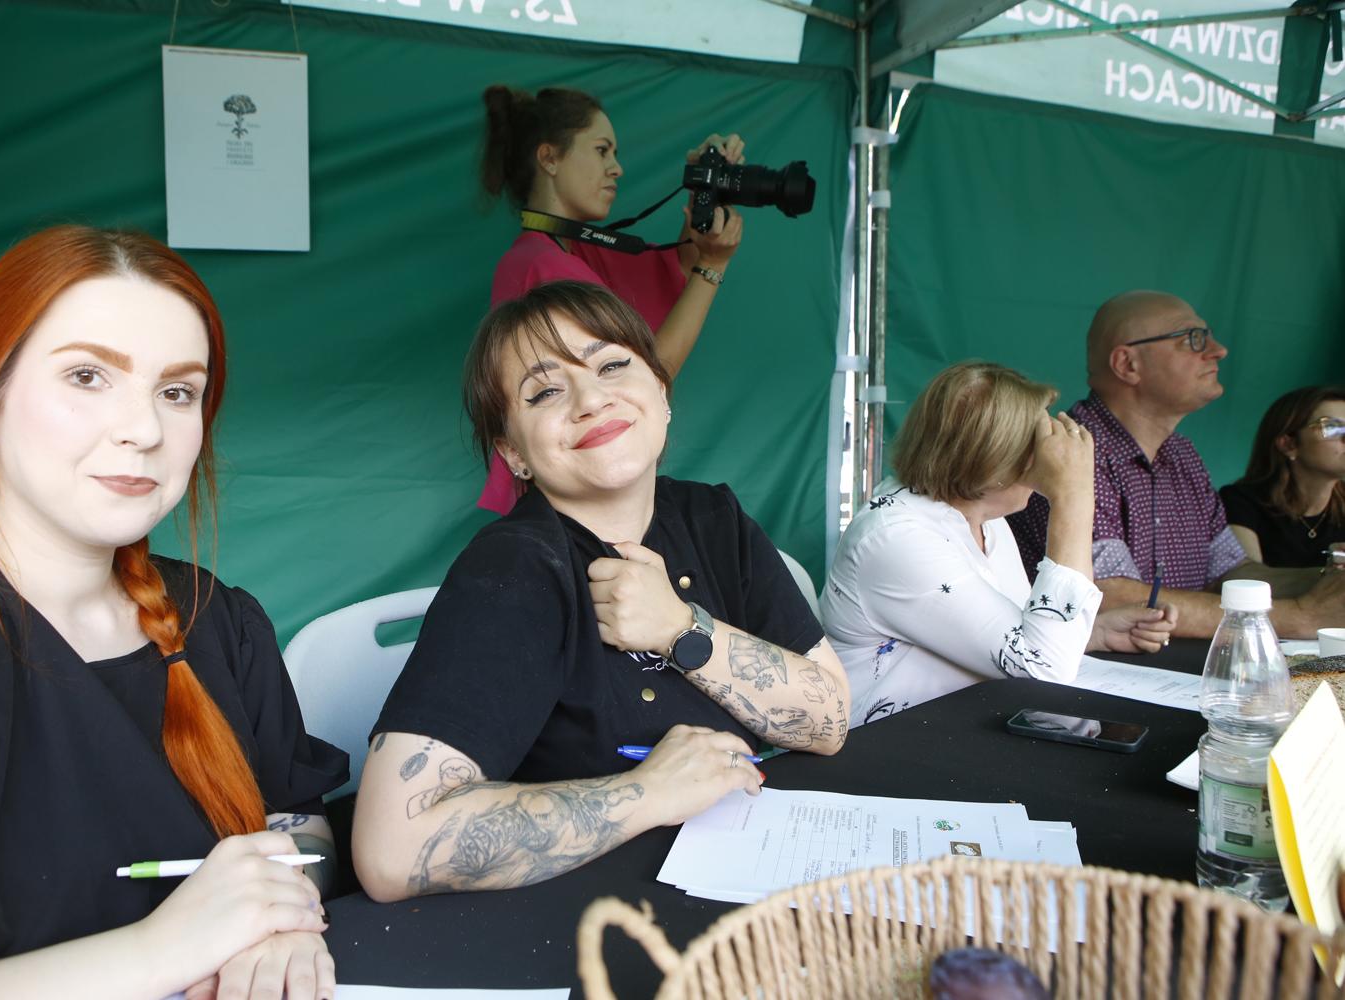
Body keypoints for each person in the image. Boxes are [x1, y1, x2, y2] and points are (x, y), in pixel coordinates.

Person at [0, 227, 349, 998]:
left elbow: (301, 823)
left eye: (177, 392)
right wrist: (155, 952)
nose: (143, 430)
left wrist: (282, 905)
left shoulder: (219, 621)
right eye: (87, 376)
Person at [352, 281, 847, 902]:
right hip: (584, 915)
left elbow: (829, 720)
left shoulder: (712, 517)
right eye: (545, 391)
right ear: (513, 453)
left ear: (661, 392)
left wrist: (681, 629)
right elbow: (390, 853)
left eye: (611, 365)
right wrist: (648, 792)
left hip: (742, 873)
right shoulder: (514, 569)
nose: (590, 399)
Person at [821, 363, 1177, 728]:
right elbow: (1041, 670)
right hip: (882, 745)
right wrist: (1074, 495)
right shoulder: (896, 539)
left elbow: (1012, 637)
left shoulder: (987, 522)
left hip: (955, 730)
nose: (1047, 458)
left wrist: (1095, 632)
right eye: (1037, 444)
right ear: (996, 460)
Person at [1006, 290, 1345, 639]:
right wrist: (1300, 616)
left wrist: (1329, 579)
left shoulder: (1183, 456)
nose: (1218, 350)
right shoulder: (1072, 450)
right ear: (1128, 365)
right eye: (1193, 339)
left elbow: (1230, 573)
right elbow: (1104, 596)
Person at [476, 84, 745, 514]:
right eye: (602, 151)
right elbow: (653, 371)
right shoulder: (544, 268)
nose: (616, 169)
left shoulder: (570, 251)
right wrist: (713, 268)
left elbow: (676, 269)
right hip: (571, 509)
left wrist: (703, 189)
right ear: (549, 158)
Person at [1220, 386, 1345, 568]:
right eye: (1332, 428)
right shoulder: (1239, 501)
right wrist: (1330, 575)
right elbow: (1244, 576)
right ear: (1288, 444)